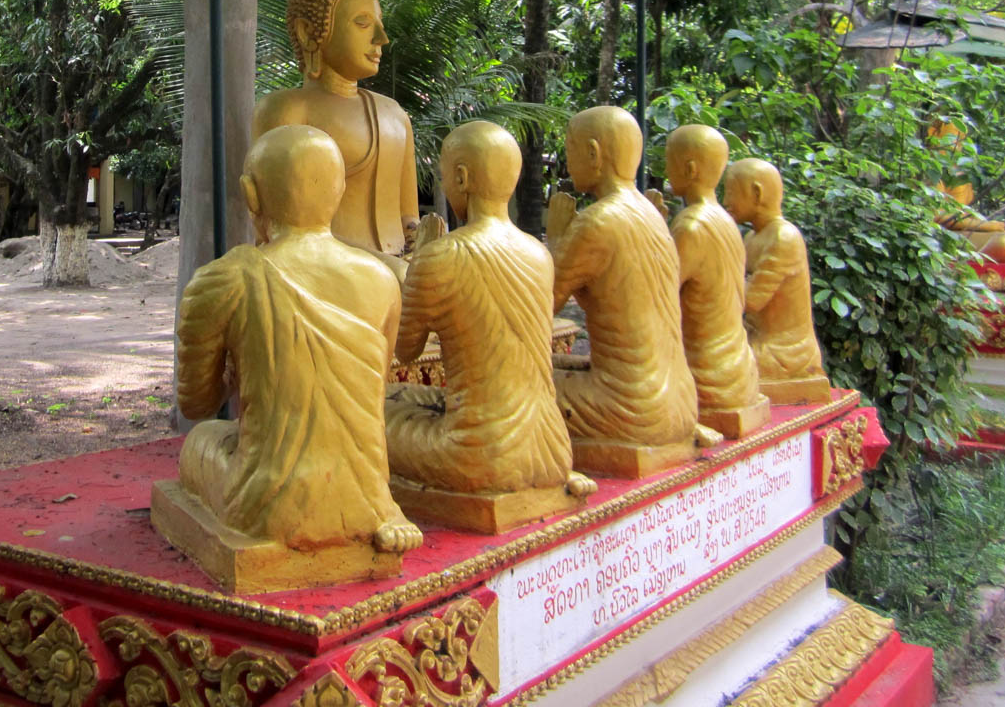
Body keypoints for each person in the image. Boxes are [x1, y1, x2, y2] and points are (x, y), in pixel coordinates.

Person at [164, 125, 421, 567]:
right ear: (339, 192)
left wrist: (236, 369)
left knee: (203, 440)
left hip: (265, 500)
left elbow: (197, 404)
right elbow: (370, 399)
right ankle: (380, 508)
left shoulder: (225, 278)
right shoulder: (383, 280)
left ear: (251, 195)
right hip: (364, 491)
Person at [386, 121, 591, 512]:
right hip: (550, 449)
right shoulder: (539, 254)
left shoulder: (440, 256)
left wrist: (415, 271)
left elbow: (406, 350)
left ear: (461, 178)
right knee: (412, 396)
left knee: (372, 416)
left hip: (477, 454)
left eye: (444, 176)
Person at [252, 0, 417, 272]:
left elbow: (408, 217)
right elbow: (277, 228)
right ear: (308, 32)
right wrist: (380, 269)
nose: (381, 39)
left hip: (400, 272)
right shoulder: (287, 111)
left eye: (379, 25)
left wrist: (420, 245)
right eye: (362, 23)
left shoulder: (394, 115)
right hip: (320, 274)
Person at [548, 107, 702, 475]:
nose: (567, 162)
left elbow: (541, 304)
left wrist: (555, 239)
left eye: (570, 150)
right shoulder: (652, 216)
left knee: (506, 388)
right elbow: (610, 298)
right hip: (682, 400)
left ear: (593, 153)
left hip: (632, 408)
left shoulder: (598, 222)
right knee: (556, 365)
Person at [666, 125, 768, 438]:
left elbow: (658, 298)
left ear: (690, 169)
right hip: (740, 368)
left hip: (708, 376)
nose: (666, 171)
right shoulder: (725, 220)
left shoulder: (692, 226)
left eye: (669, 162)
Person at [723, 158, 831, 405]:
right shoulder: (751, 237)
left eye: (731, 192)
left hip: (786, 352)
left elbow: (751, 300)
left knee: (719, 368)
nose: (726, 200)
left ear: (757, 193)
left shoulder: (784, 238)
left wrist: (717, 272)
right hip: (752, 336)